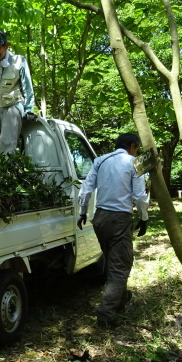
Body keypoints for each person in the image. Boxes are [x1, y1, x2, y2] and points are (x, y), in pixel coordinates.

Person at [77, 132, 149, 329]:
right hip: (119, 218)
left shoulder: (100, 160)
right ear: (133, 146)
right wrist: (144, 218)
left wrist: (82, 213)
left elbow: (86, 190)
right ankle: (106, 315)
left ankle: (122, 298)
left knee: (113, 260)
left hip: (100, 218)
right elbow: (140, 195)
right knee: (120, 265)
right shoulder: (134, 162)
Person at [0, 30, 35, 154]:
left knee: (7, 141)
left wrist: (29, 109)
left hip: (13, 106)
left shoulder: (19, 61)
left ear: (6, 46)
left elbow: (27, 86)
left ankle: (6, 170)